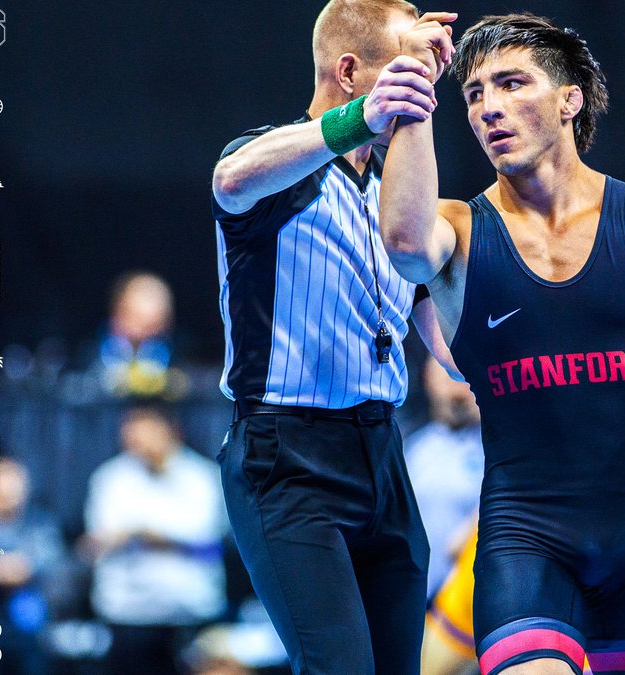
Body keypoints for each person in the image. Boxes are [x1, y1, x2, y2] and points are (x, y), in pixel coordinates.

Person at [378, 13, 625, 675]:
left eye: (511, 83)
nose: (489, 107)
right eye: (473, 93)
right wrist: (414, 91)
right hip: (525, 549)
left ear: (568, 99)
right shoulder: (456, 231)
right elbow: (405, 244)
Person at [209, 2, 458, 672]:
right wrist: (359, 122)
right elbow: (229, 180)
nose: (416, 94)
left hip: (384, 452)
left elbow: (452, 350)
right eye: (403, 74)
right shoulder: (277, 166)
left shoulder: (392, 200)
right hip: (287, 458)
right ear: (350, 72)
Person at [83, 404, 229, 675]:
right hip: (129, 615)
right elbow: (100, 538)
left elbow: (205, 535)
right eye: (130, 434)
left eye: (143, 431)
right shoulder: (110, 478)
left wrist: (142, 532)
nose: (135, 441)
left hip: (192, 613)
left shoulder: (202, 476)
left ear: (169, 430)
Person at [0, 459, 66, 675]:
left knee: (29, 612)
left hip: (24, 616)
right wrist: (6, 566)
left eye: (17, 486)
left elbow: (26, 567)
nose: (12, 494)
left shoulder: (39, 522)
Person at [404, 356, 484, 598]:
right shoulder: (412, 447)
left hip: (464, 609)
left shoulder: (498, 452)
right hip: (417, 601)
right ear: (428, 377)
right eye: (448, 375)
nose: (457, 388)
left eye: (464, 378)